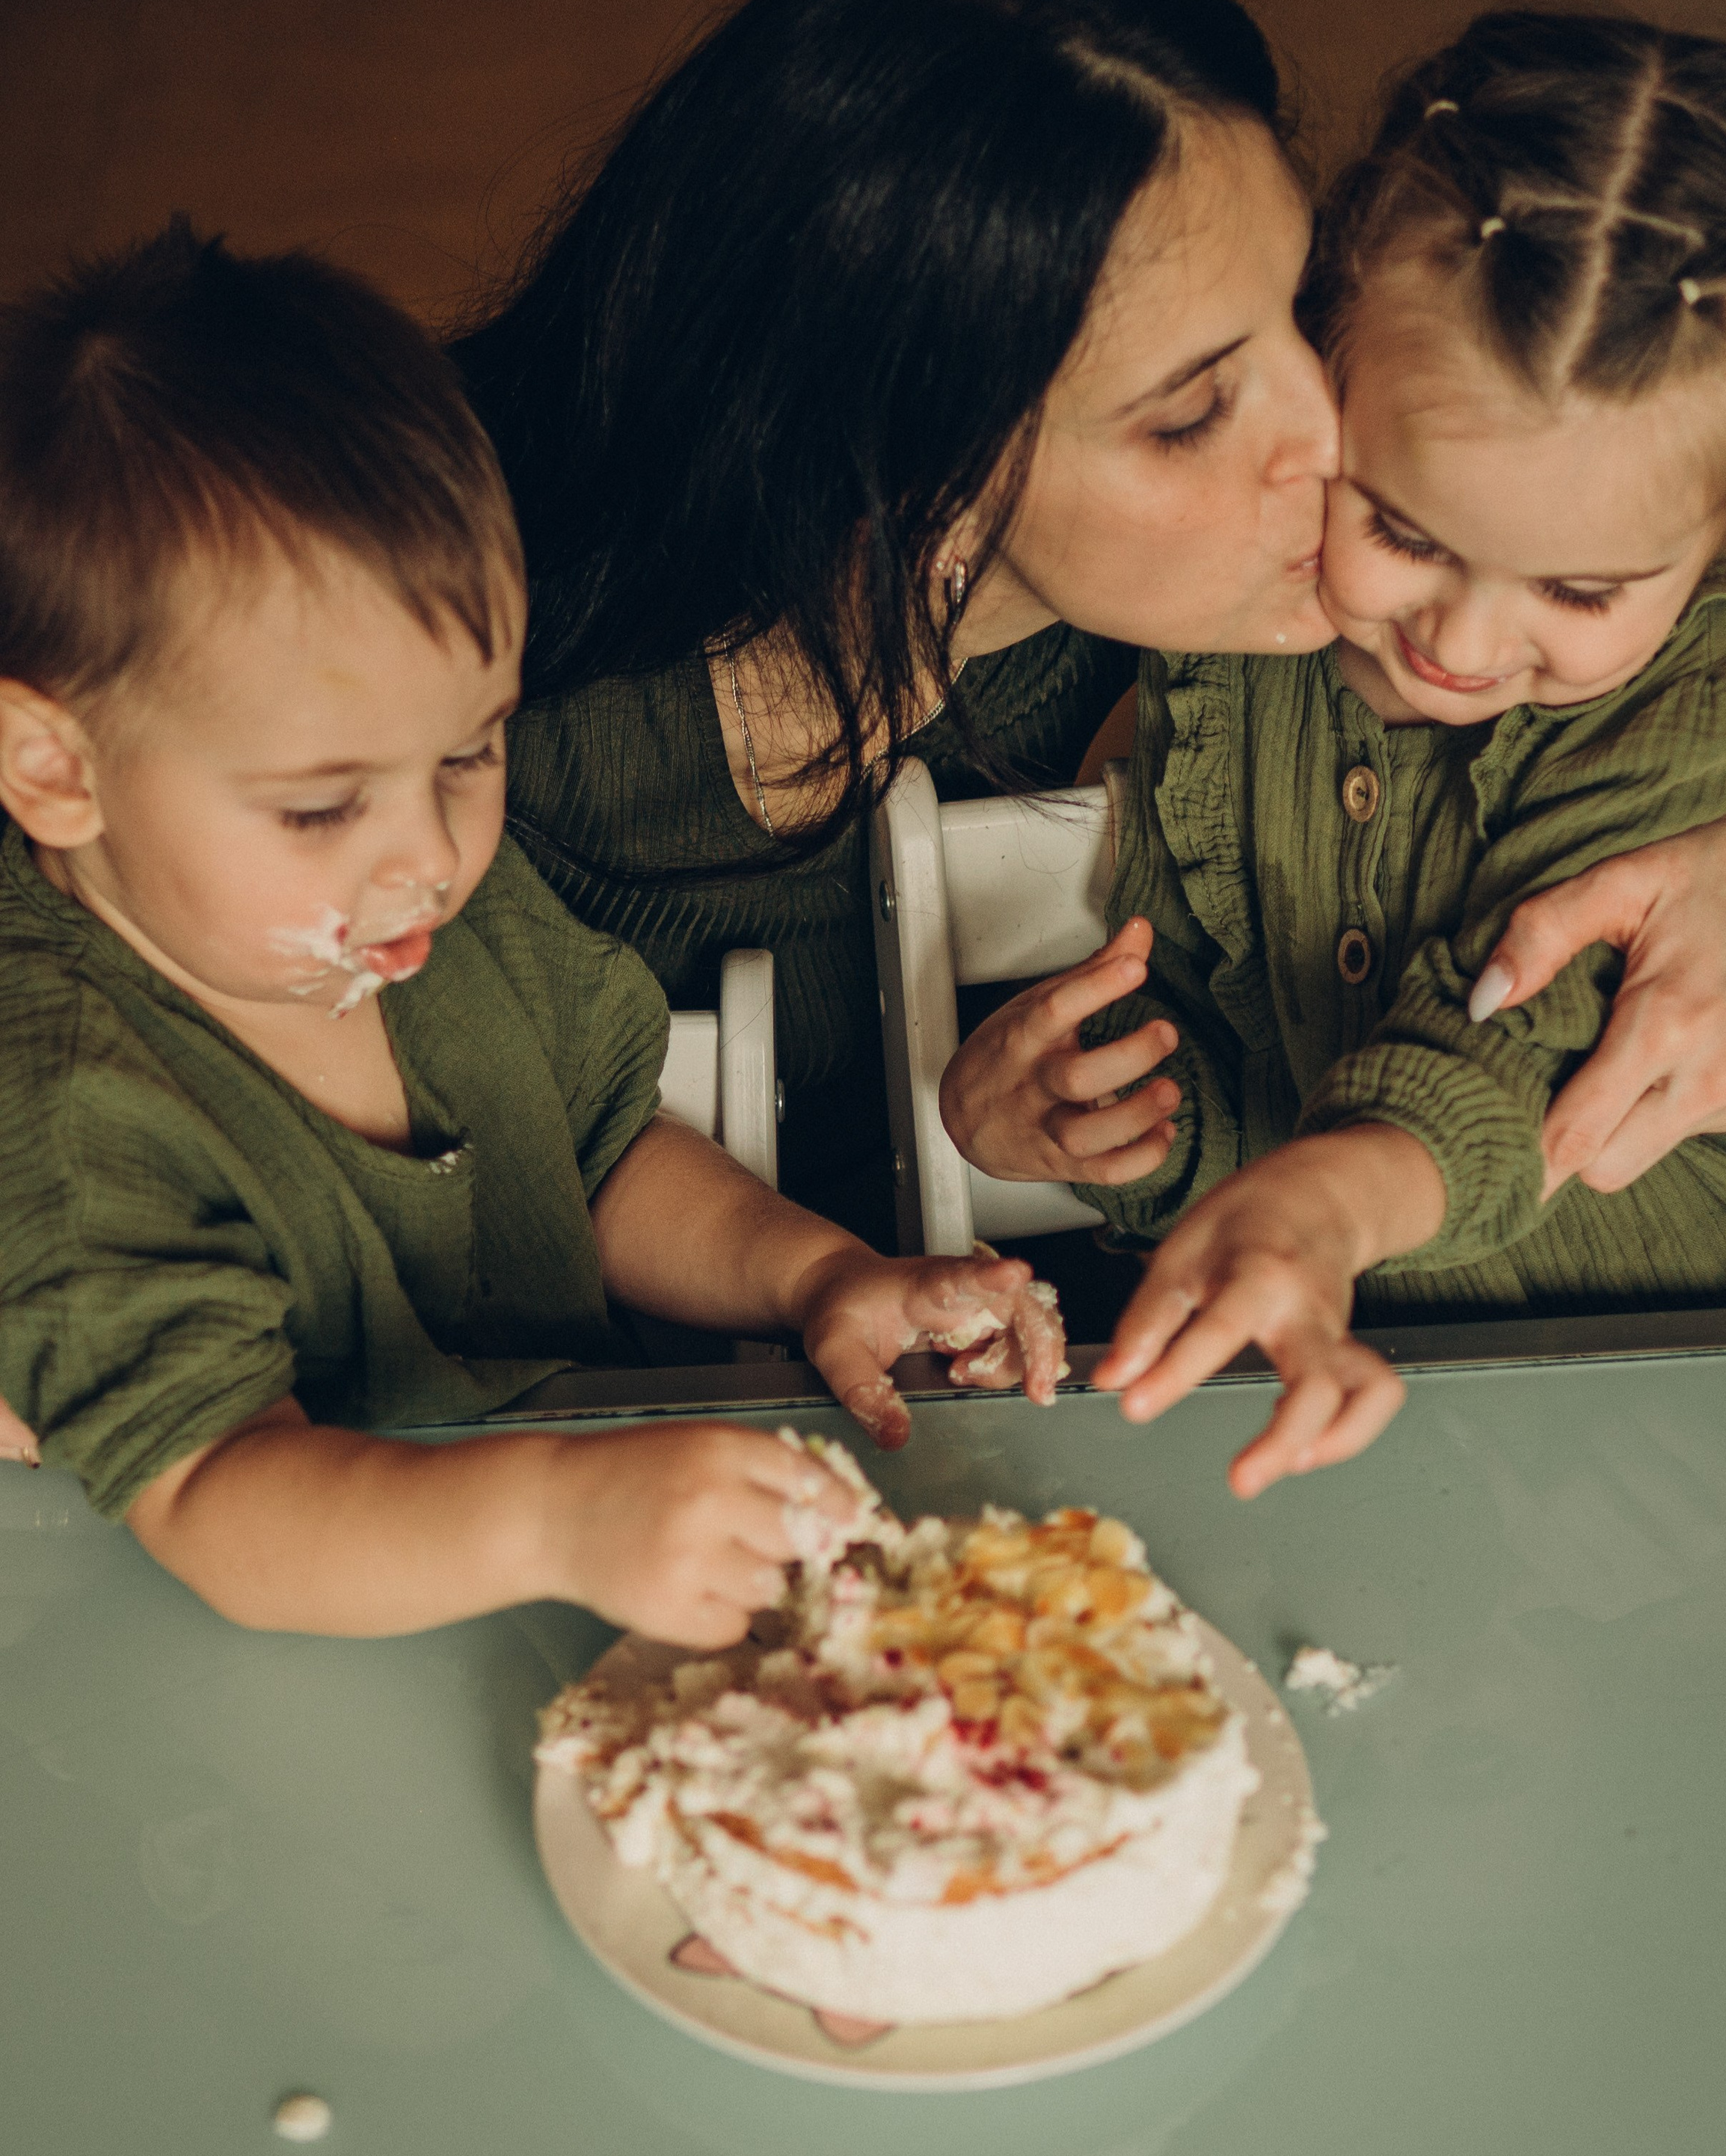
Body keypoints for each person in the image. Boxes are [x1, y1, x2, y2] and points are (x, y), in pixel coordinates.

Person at [452, 0, 1726, 1284]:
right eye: (1192, 411)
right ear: (921, 458)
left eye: (1299, 310)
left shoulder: (1360, 584)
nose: (1333, 435)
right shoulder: (474, 745)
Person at [0, 226, 1062, 1641]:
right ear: (56, 772)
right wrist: (560, 1514)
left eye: (470, 754)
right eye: (323, 807)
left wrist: (818, 1274)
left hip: (569, 1582)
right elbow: (215, 1499)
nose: (428, 856)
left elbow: (605, 1146)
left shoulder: (420, 907)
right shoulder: (67, 1109)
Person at [942, 9, 1726, 1492]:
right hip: (1406, 1391)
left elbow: (1504, 1040)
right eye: (1399, 527)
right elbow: (1278, 1057)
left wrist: (1314, 1215)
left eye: (1579, 590)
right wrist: (1113, 1127)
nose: (1460, 641)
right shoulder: (1219, 650)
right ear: (1319, 354)